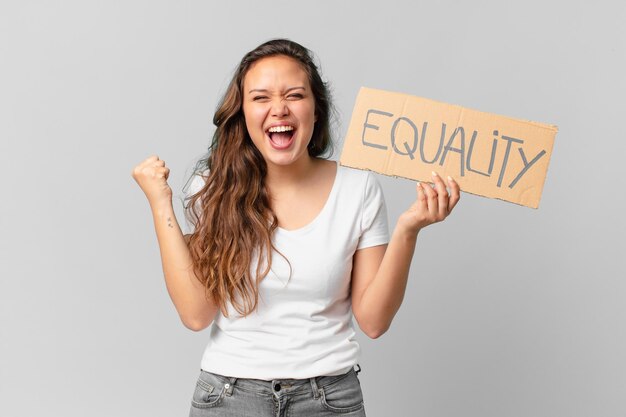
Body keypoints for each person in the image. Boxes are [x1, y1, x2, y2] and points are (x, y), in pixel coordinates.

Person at [131, 38, 460, 417]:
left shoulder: (358, 188)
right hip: (228, 398)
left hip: (329, 399)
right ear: (242, 113)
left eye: (294, 95)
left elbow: (373, 321)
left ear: (316, 109)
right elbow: (195, 314)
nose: (279, 109)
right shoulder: (212, 188)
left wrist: (408, 230)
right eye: (260, 98)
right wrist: (160, 204)